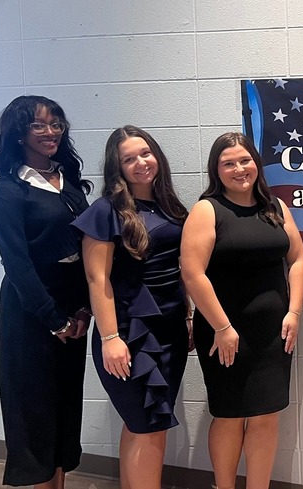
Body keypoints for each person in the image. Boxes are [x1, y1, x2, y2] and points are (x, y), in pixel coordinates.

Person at [180, 132, 303, 489]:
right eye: (228, 163)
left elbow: (297, 259)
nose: (239, 169)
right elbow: (192, 273)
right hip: (225, 333)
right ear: (216, 170)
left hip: (274, 332)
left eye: (245, 160)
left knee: (267, 415)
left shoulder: (276, 208)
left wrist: (293, 312)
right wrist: (222, 327)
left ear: (256, 163)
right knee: (230, 415)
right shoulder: (208, 210)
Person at [72, 126, 191, 489]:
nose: (141, 163)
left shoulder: (170, 206)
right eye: (129, 158)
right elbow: (97, 280)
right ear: (117, 167)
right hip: (128, 334)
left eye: (146, 153)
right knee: (148, 425)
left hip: (169, 331)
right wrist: (109, 337)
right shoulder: (105, 211)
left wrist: (187, 317)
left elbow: (181, 269)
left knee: (143, 424)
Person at [0, 95, 92, 488]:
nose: (51, 132)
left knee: (64, 405)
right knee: (35, 410)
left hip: (72, 309)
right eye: (39, 125)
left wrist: (82, 310)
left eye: (56, 124)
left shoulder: (68, 179)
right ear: (19, 134)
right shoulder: (9, 191)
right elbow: (16, 265)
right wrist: (54, 319)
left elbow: (85, 248)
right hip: (32, 314)